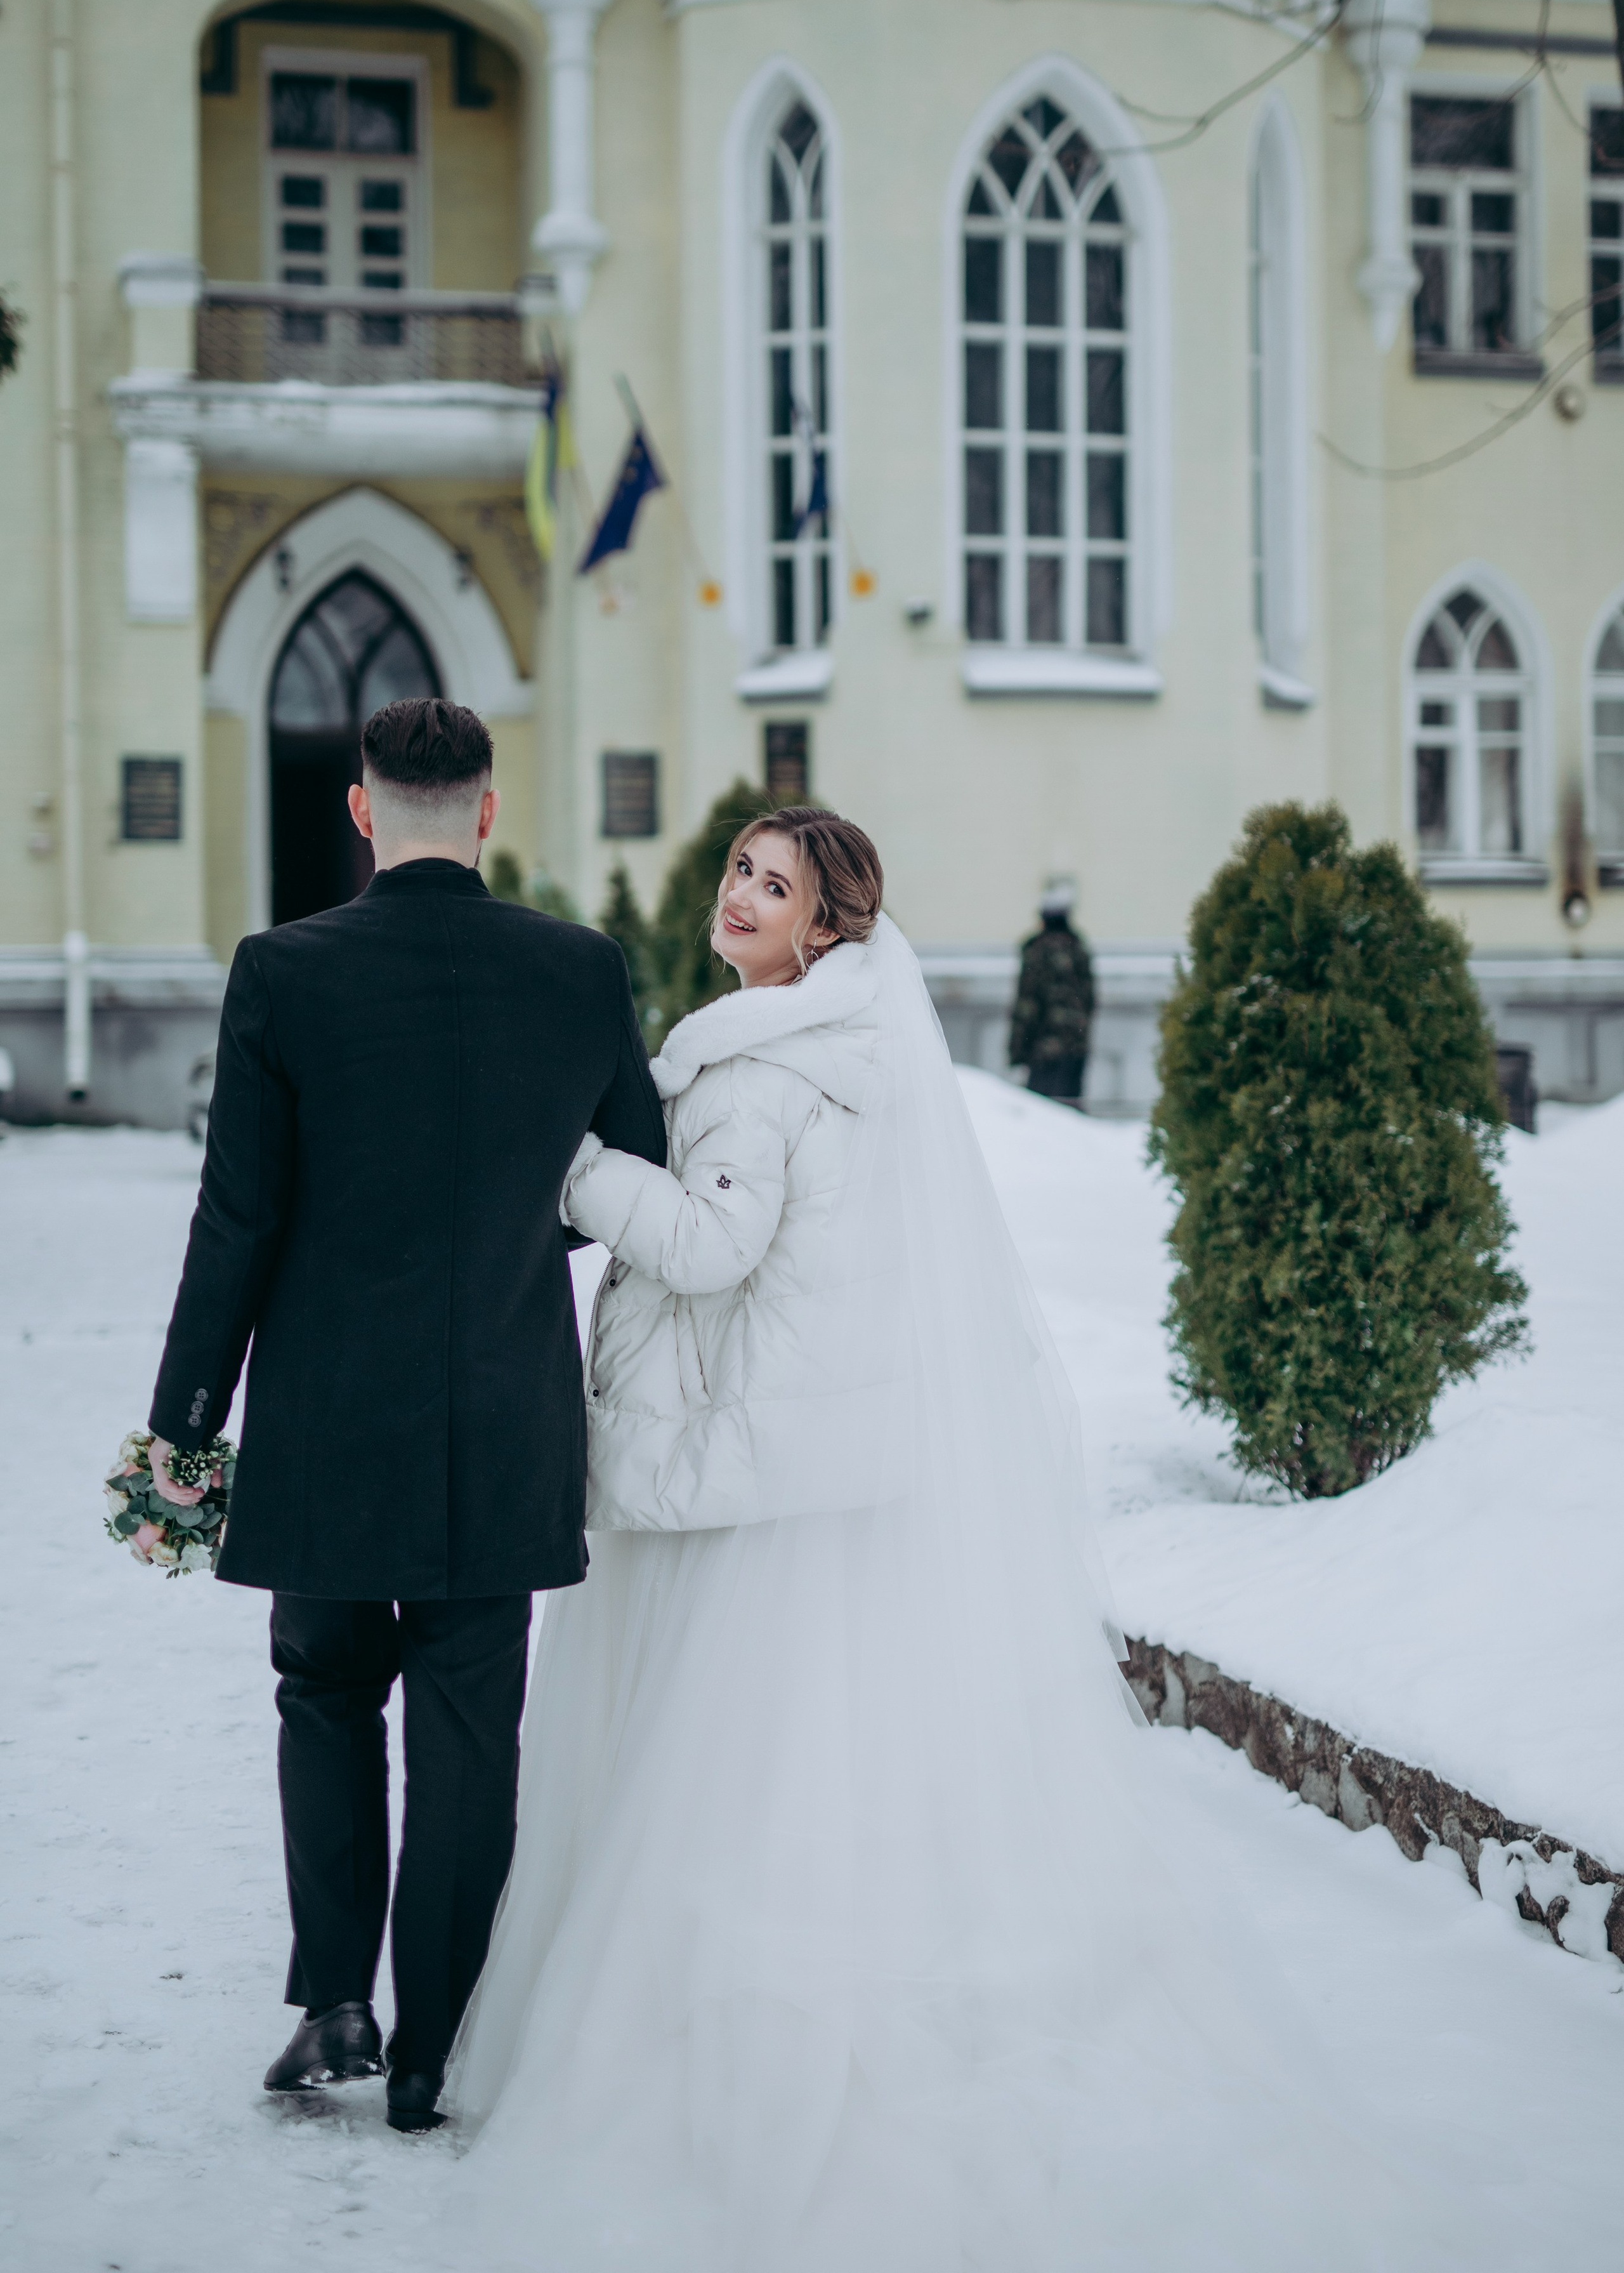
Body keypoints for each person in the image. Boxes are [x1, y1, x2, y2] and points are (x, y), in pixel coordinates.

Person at [437, 808, 1451, 2271]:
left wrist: (575, 1167)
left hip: (743, 1480)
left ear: (824, 929)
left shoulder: (759, 1066)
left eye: (773, 885)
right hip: (811, 1465)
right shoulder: (849, 1051)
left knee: (724, 1790)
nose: (739, 895)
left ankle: (742, 2058)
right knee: (812, 1777)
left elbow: (712, 1249)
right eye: (738, 870)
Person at [144, 697, 665, 2134]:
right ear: (486, 811)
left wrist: (186, 1421)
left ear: (363, 810)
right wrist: (507, 1232)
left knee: (323, 1694)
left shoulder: (282, 971)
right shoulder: (579, 968)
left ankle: (336, 2003)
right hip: (504, 1404)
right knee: (470, 1725)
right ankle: (436, 2046)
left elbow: (237, 1218)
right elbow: (633, 1169)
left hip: (324, 1416)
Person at [1008, 878, 1095, 1104]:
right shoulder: (1079, 948)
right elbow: (1091, 1000)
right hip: (1076, 1047)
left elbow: (1027, 1006)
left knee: (1042, 1113)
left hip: (1043, 1051)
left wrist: (1017, 1053)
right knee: (1069, 1109)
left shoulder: (1037, 951)